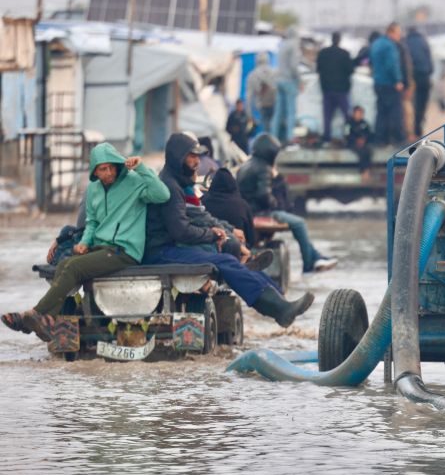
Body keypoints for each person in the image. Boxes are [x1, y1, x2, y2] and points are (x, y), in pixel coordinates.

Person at [144, 132, 314, 328]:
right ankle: (277, 307)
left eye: (198, 156)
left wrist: (224, 231)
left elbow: (198, 217)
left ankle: (281, 304)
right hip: (161, 252)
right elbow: (180, 231)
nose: (197, 161)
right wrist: (212, 235)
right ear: (178, 156)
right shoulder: (170, 187)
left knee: (229, 261)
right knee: (225, 261)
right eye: (192, 156)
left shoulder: (176, 182)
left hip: (171, 248)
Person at [2, 143, 170, 340]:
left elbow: (163, 195)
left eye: (111, 167)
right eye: (102, 169)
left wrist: (141, 167)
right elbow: (92, 222)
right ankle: (45, 319)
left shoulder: (134, 182)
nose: (108, 173)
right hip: (100, 248)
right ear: (95, 171)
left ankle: (36, 314)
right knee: (64, 264)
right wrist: (84, 242)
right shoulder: (93, 190)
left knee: (72, 268)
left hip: (124, 250)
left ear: (117, 165)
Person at [237, 132, 338, 274]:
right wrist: (275, 203)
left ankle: (315, 257)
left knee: (297, 223)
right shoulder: (263, 168)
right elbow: (263, 195)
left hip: (249, 211)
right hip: (260, 213)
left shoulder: (247, 164)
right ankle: (309, 264)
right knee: (299, 223)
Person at [203, 167, 257, 250]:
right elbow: (251, 239)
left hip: (208, 249)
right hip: (238, 251)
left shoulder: (202, 202)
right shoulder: (242, 205)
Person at [316, 31, 354, 144]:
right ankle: (348, 135)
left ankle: (326, 137)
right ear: (339, 40)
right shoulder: (344, 54)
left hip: (327, 89)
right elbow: (350, 70)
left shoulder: (323, 53)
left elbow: (318, 69)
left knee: (327, 116)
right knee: (346, 116)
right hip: (341, 90)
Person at [370, 23, 404, 146]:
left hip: (378, 82)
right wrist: (397, 81)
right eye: (398, 33)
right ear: (391, 32)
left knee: (381, 112)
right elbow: (392, 65)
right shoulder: (390, 46)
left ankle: (380, 139)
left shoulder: (376, 44)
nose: (399, 36)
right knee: (395, 112)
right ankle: (398, 139)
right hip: (389, 84)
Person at [271, 26, 302, 144]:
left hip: (279, 80)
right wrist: (299, 80)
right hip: (289, 80)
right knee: (291, 111)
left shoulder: (282, 44)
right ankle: (290, 137)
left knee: (278, 111)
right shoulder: (294, 44)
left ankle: (273, 137)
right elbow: (294, 65)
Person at [405, 27, 433, 137]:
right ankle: (419, 127)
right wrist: (428, 72)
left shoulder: (405, 42)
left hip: (412, 78)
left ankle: (412, 130)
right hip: (425, 77)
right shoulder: (423, 41)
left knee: (412, 105)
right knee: (422, 104)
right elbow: (430, 62)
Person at [246, 52, 277, 132]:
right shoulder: (274, 72)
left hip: (262, 106)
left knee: (265, 128)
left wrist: (249, 114)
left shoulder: (252, 75)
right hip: (275, 104)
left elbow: (249, 97)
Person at [395, 35, 416, 142]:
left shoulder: (398, 49)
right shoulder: (404, 50)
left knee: (403, 111)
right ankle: (408, 134)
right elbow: (407, 69)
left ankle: (406, 134)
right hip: (405, 85)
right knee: (407, 111)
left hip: (400, 85)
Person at [346, 105, 373, 180]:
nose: (359, 115)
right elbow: (346, 135)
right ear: (354, 114)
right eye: (357, 113)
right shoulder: (349, 124)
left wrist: (364, 139)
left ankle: (367, 171)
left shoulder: (365, 124)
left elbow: (369, 135)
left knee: (368, 151)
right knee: (361, 152)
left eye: (361, 113)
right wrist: (356, 140)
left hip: (364, 144)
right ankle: (363, 171)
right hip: (352, 144)